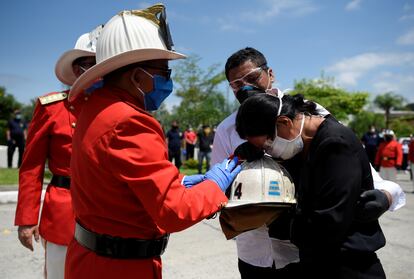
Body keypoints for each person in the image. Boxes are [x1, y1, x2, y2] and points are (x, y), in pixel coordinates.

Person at [65, 4, 241, 279]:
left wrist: (179, 183)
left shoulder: (95, 108)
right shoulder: (130, 121)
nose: (168, 82)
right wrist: (214, 186)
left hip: (89, 259)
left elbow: (120, 181)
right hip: (121, 268)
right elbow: (174, 211)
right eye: (164, 73)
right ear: (137, 76)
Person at [211, 47, 405, 277]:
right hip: (255, 253)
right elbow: (218, 191)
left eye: (252, 78)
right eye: (236, 85)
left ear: (270, 74)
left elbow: (350, 167)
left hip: (313, 253)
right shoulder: (227, 130)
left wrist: (387, 194)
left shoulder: (309, 114)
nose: (245, 88)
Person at [236, 93, 386, 278]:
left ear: (284, 122)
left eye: (267, 145)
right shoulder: (303, 145)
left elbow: (329, 222)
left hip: (348, 266)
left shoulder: (335, 144)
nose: (269, 151)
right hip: (318, 262)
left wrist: (273, 220)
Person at [14, 26, 101, 279]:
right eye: (91, 65)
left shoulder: (116, 108)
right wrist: (27, 218)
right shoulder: (52, 108)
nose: (98, 73)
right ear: (77, 70)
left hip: (107, 210)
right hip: (65, 211)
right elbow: (31, 167)